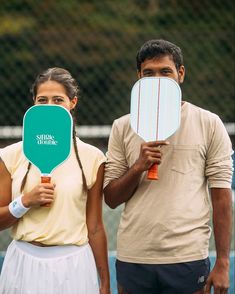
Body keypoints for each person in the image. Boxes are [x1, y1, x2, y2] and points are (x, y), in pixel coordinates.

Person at [104, 39, 233, 294]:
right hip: (134, 256)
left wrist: (223, 262)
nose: (158, 79)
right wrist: (138, 167)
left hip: (187, 256)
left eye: (166, 71)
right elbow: (110, 198)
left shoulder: (209, 122)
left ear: (181, 74)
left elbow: (221, 198)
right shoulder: (121, 126)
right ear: (139, 77)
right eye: (149, 73)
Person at [0, 67, 110, 294]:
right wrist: (24, 202)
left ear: (73, 103)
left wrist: (105, 282)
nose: (49, 106)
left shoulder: (92, 157)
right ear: (33, 103)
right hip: (22, 264)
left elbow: (95, 227)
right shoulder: (10, 155)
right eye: (42, 100)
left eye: (58, 100)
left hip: (75, 266)